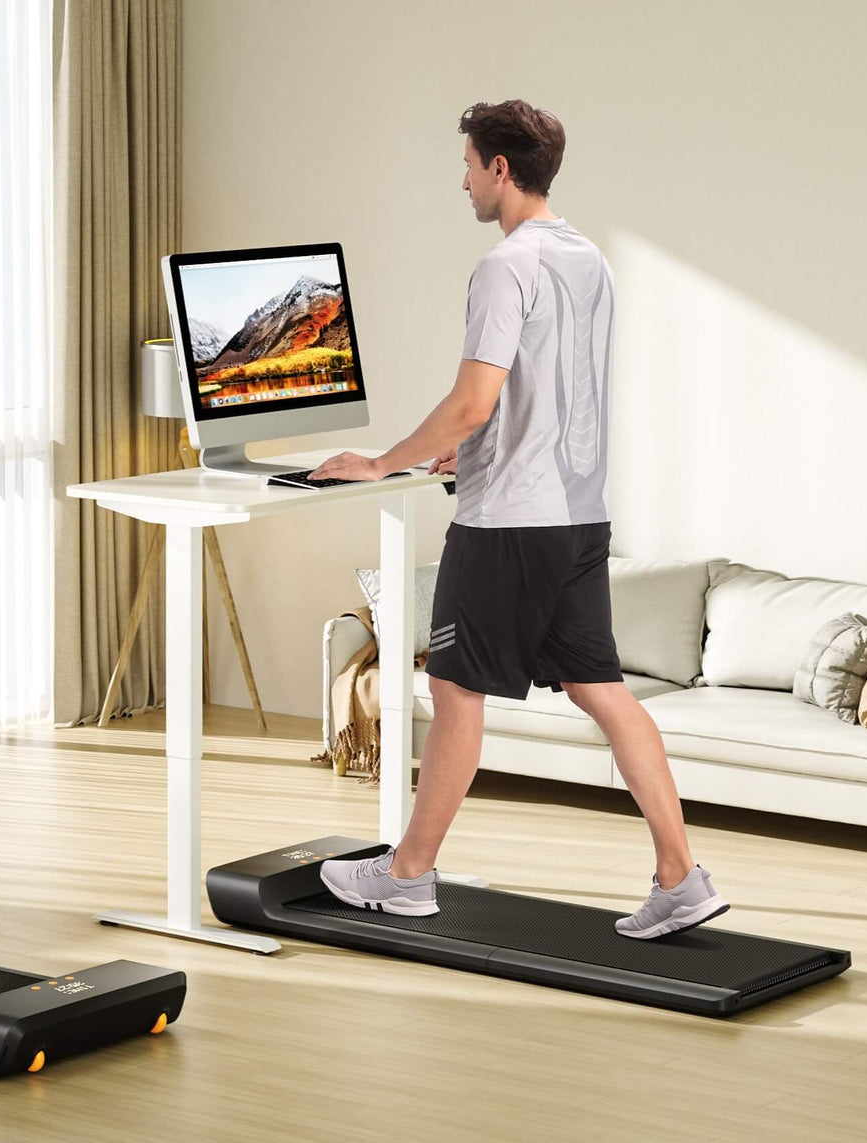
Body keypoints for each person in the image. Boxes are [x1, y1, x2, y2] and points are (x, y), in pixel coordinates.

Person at [308, 101, 728, 940]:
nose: (461, 177)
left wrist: (383, 458)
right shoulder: (589, 258)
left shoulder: (505, 266)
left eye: (467, 162)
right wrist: (480, 447)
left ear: (501, 168)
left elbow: (472, 399)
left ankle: (407, 875)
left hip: (508, 526)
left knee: (455, 686)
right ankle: (681, 876)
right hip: (578, 517)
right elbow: (551, 391)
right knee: (599, 687)